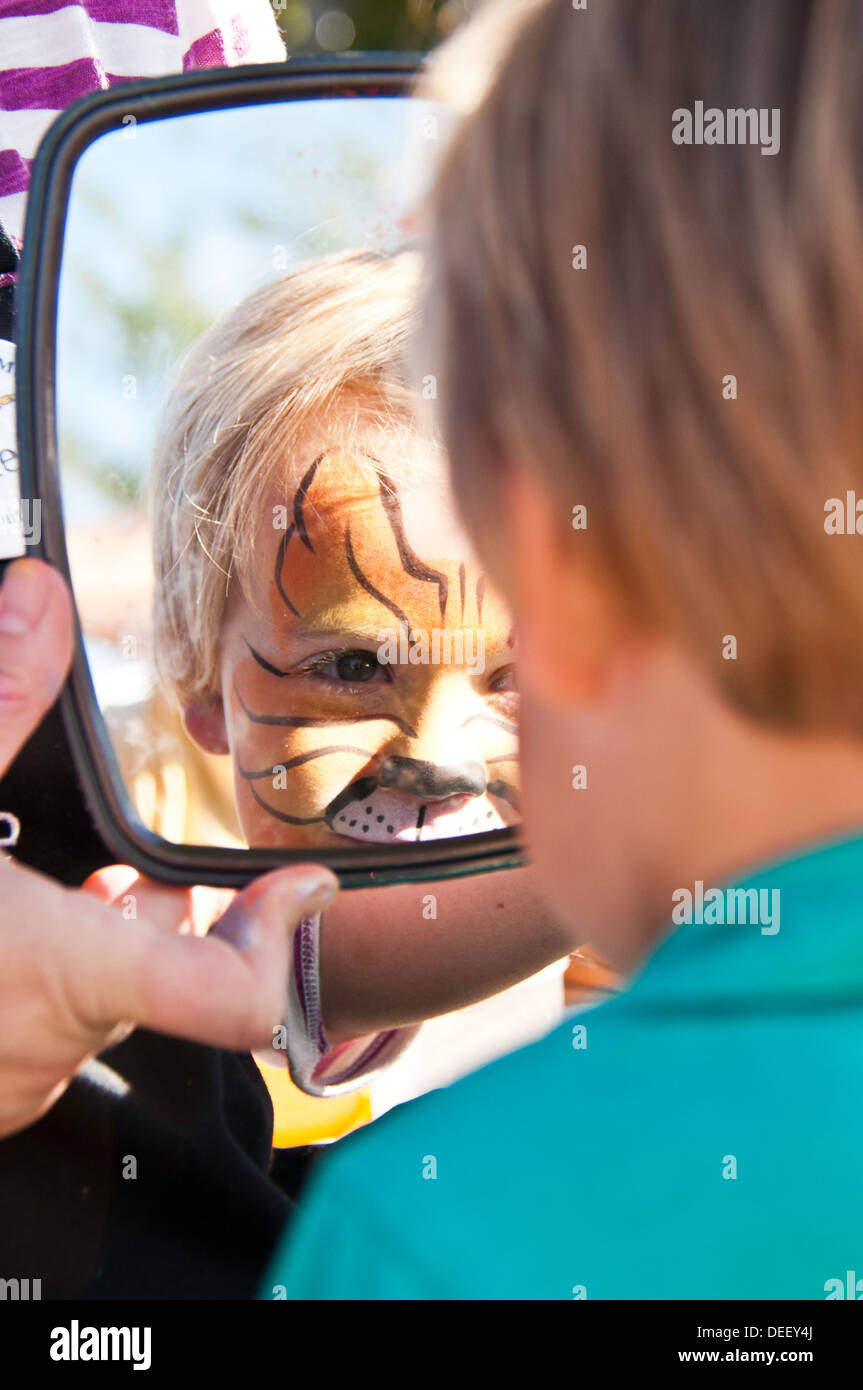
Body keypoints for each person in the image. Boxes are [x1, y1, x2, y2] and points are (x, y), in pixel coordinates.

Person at [263, 0, 863, 1298]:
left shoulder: (438, 1233)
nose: (437, 751)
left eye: (499, 658)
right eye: (355, 665)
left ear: (562, 582)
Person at [140, 247, 615, 1121]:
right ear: (197, 674)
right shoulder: (142, 918)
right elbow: (331, 985)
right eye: (353, 669)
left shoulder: (625, 968)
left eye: (518, 678)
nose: (439, 766)